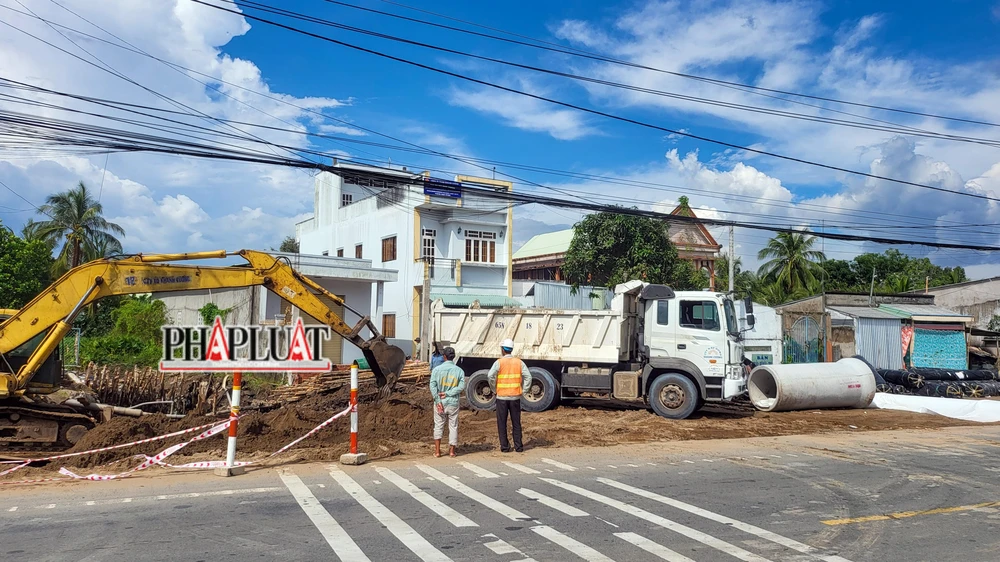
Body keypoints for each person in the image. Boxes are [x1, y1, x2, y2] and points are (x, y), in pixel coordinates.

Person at [488, 338, 532, 453]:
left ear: (503, 349)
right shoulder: (519, 362)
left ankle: (505, 447)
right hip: (515, 397)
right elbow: (528, 377)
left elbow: (490, 376)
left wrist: (494, 388)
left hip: (501, 397)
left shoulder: (499, 362)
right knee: (516, 422)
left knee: (502, 423)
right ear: (511, 349)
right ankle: (519, 446)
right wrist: (524, 390)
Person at [429, 346, 465, 458]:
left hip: (440, 403)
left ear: (444, 357)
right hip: (453, 402)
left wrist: (437, 399)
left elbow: (433, 385)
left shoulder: (436, 370)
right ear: (453, 357)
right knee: (453, 426)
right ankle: (452, 452)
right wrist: (449, 393)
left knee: (438, 425)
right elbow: (461, 386)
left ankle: (437, 451)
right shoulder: (459, 371)